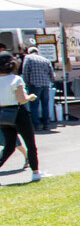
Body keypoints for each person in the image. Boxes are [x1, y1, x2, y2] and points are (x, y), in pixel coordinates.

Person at [0, 51, 43, 180]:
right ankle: (35, 172)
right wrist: (30, 97)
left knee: (9, 146)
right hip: (18, 113)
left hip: (2, 114)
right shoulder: (16, 79)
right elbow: (21, 99)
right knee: (30, 144)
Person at [21, 45, 54, 130]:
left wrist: (26, 83)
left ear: (29, 52)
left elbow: (25, 71)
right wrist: (50, 81)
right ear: (37, 52)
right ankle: (46, 124)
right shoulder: (45, 59)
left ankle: (37, 124)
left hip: (34, 84)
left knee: (34, 105)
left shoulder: (28, 58)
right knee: (45, 105)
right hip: (46, 84)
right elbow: (52, 74)